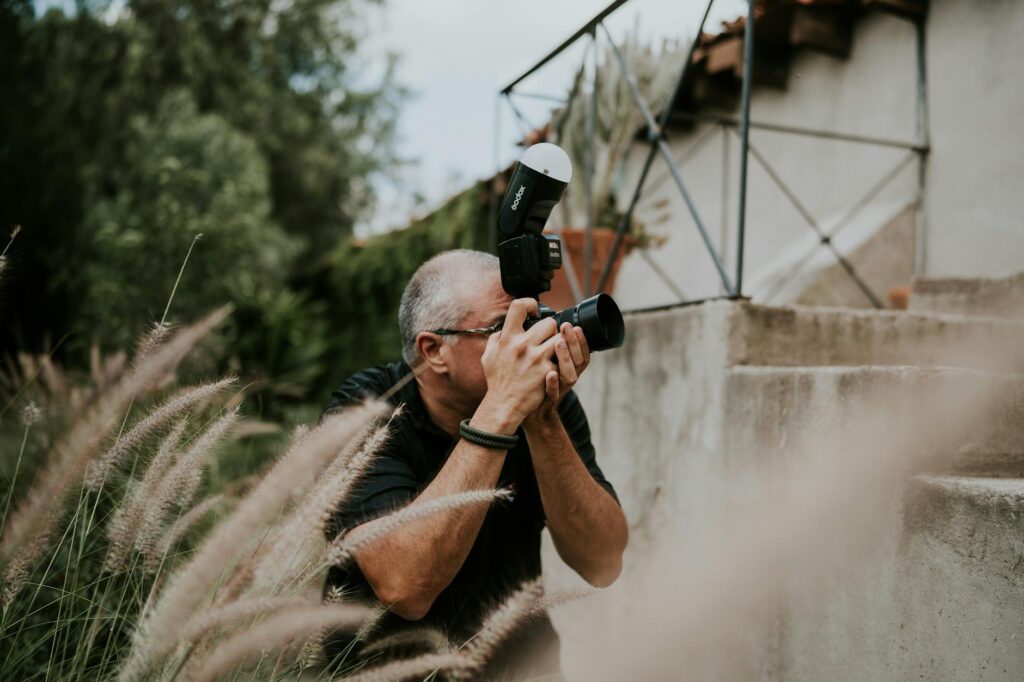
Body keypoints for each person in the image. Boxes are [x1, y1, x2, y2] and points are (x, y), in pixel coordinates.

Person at [321, 249, 628, 679]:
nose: (529, 341)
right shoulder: (365, 411)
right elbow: (405, 588)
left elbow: (603, 562)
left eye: (534, 320)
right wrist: (500, 409)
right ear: (434, 351)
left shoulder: (548, 403)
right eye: (503, 328)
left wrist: (542, 421)